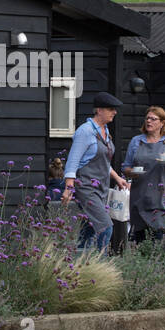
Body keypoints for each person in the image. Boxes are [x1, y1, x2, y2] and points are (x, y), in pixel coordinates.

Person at [62, 92, 130, 253]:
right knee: (106, 227)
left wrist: (117, 178)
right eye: (111, 109)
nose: (114, 112)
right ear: (99, 110)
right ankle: (102, 263)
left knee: (90, 228)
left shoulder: (105, 131)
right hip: (86, 187)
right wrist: (68, 188)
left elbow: (102, 161)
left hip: (101, 188)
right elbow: (73, 160)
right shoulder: (85, 132)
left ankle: (78, 261)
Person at [121, 105, 165, 243]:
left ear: (163, 122)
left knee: (162, 240)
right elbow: (125, 167)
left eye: (153, 119)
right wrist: (133, 172)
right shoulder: (136, 141)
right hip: (140, 198)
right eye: (147, 118)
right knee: (140, 242)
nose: (149, 121)